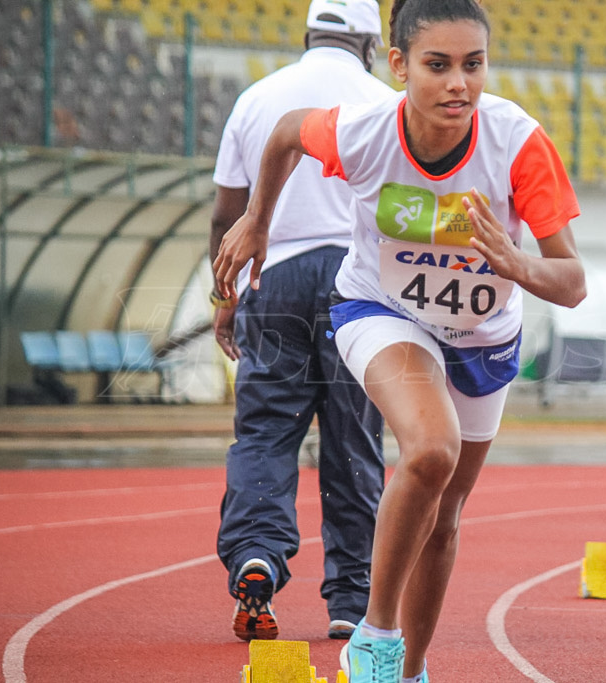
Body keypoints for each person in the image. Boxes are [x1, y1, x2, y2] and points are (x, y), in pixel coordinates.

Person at [213, 0, 586, 679]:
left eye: (473, 66)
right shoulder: (364, 130)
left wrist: (514, 261)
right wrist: (258, 221)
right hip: (381, 309)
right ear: (397, 65)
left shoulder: (517, 142)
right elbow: (286, 134)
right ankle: (373, 638)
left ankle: (410, 667)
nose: (458, 85)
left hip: (482, 337)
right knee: (431, 448)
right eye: (437, 66)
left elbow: (571, 280)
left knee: (444, 514)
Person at [209, 0, 394, 643]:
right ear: (373, 45)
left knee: (265, 431)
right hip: (358, 285)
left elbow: (226, 215)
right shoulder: (384, 102)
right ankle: (352, 598)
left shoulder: (258, 98)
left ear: (309, 33)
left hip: (273, 276)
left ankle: (256, 554)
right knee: (354, 442)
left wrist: (224, 298)